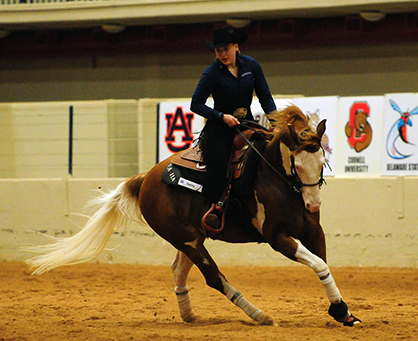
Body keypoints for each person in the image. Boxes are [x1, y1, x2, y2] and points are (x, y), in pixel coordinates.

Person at [190, 25, 277, 229]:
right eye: (218, 50)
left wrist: (275, 123)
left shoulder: (251, 66)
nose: (222, 54)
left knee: (268, 148)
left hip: (246, 121)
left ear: (236, 46)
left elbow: (265, 96)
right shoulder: (211, 73)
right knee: (219, 162)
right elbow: (196, 104)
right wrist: (221, 116)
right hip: (220, 127)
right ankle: (216, 208)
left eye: (226, 48)